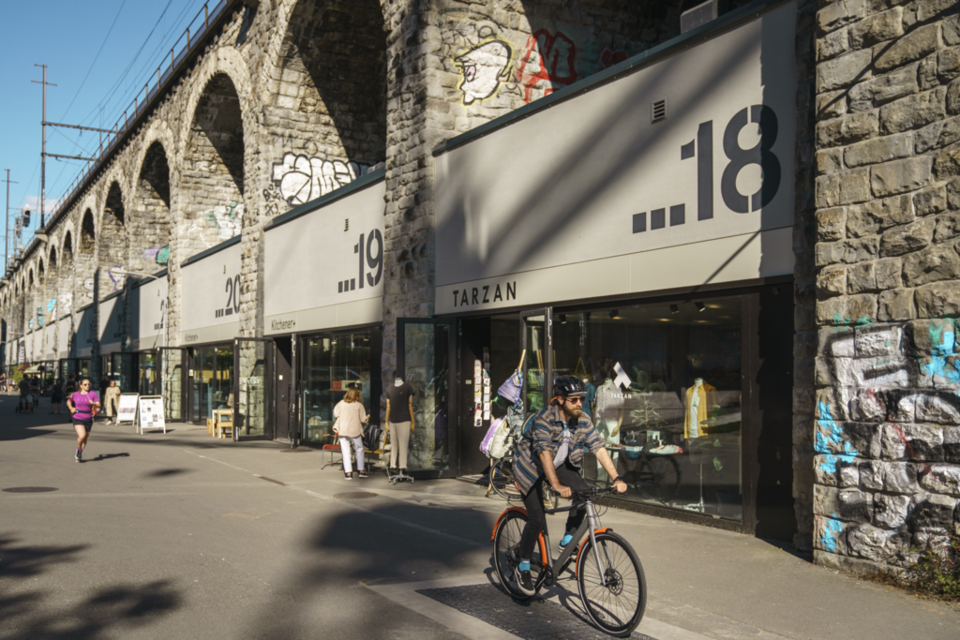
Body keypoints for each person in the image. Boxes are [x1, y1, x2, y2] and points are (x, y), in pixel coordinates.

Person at [511, 376, 627, 596]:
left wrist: (616, 477)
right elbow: (544, 452)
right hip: (531, 466)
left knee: (584, 493)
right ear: (561, 400)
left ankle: (568, 539)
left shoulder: (582, 419)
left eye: (581, 399)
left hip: (559, 463)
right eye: (574, 400)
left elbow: (598, 447)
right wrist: (555, 485)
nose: (579, 403)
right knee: (536, 518)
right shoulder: (544, 418)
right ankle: (523, 565)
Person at [333, 388, 370, 479]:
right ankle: (361, 470)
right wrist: (367, 417)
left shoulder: (341, 403)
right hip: (355, 430)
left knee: (346, 452)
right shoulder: (359, 405)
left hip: (343, 430)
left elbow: (336, 414)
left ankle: (348, 473)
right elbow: (363, 419)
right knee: (359, 450)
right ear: (357, 395)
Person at [67, 377, 101, 462]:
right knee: (82, 436)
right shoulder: (75, 394)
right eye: (85, 384)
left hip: (88, 418)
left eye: (89, 384)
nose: (87, 386)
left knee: (85, 438)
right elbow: (68, 401)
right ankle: (79, 449)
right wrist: (71, 408)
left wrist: (93, 403)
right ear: (81, 385)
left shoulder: (92, 394)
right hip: (77, 417)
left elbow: (99, 405)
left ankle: (79, 453)